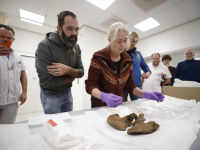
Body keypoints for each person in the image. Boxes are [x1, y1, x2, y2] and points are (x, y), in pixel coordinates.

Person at [85, 22, 164, 108]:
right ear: (109, 40)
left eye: (125, 40)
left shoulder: (128, 60)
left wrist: (144, 94)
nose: (123, 45)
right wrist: (103, 96)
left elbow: (130, 86)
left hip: (118, 105)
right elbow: (90, 85)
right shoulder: (99, 57)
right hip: (99, 105)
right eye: (119, 41)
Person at [35, 11, 84, 114]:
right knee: (54, 128)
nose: (74, 33)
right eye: (70, 29)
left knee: (67, 124)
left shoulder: (76, 46)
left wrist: (68, 70)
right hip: (51, 95)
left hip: (68, 93)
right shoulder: (45, 46)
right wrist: (72, 76)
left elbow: (81, 72)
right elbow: (47, 82)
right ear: (59, 28)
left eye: (76, 29)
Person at [0, 24, 27, 124]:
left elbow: (23, 74)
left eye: (8, 38)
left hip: (12, 100)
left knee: (7, 129)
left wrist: (24, 91)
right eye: (2, 36)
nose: (5, 39)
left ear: (13, 40)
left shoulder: (18, 57)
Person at [125, 32, 151, 101]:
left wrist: (148, 72)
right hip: (122, 85)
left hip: (136, 84)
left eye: (136, 41)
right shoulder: (121, 52)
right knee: (121, 107)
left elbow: (145, 66)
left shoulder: (138, 54)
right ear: (127, 39)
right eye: (132, 41)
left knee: (139, 106)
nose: (134, 43)